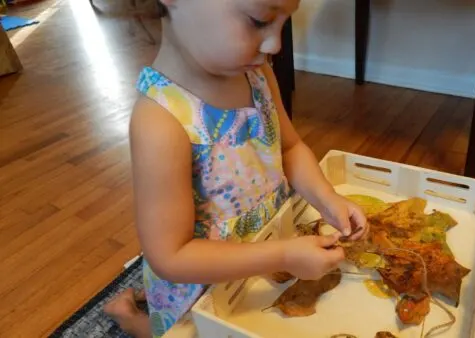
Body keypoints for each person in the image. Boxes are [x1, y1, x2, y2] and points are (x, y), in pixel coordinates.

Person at [102, 0, 368, 337]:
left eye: (283, 24)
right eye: (260, 21)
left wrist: (328, 199)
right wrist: (283, 255)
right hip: (202, 287)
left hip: (263, 259)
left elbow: (290, 148)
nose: (276, 44)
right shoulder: (159, 121)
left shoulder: (257, 74)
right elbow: (171, 257)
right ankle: (131, 318)